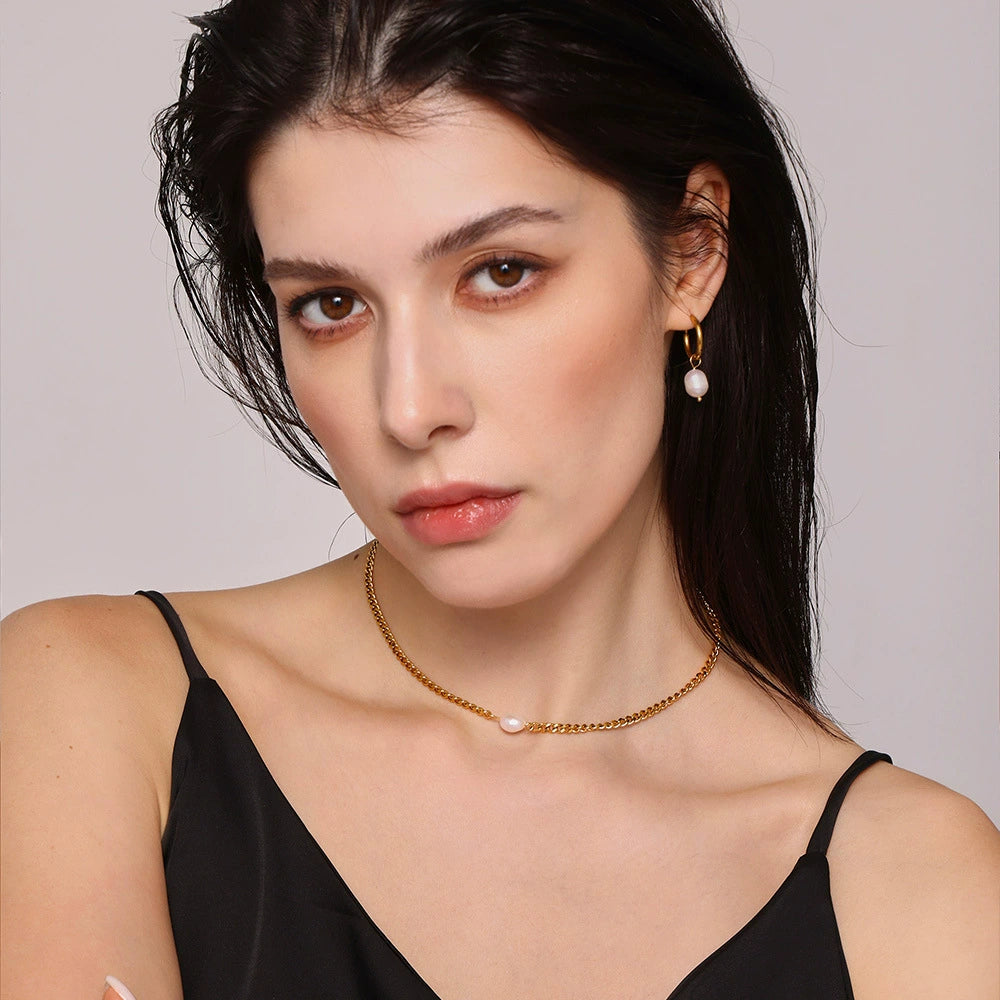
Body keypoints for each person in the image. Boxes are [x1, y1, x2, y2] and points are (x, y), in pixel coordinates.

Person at [2, 1, 997, 997]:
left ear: (692, 251)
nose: (409, 408)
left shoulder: (916, 891)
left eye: (500, 273)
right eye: (331, 305)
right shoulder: (96, 709)